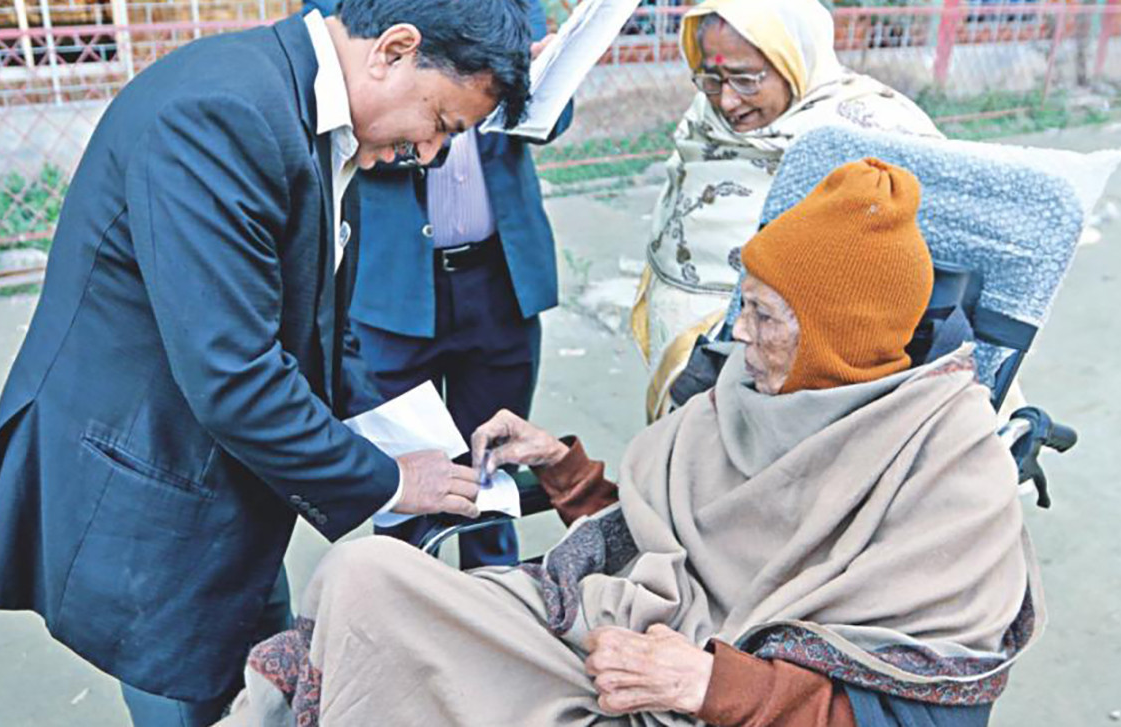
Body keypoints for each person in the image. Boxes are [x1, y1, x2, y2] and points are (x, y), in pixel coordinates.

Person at [222, 159, 1043, 726]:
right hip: (613, 641)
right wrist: (568, 471)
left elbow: (926, 708)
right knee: (366, 577)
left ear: (835, 336)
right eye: (744, 305)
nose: (738, 335)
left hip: (715, 700)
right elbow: (672, 532)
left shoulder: (951, 465)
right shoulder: (746, 390)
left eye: (764, 316)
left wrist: (715, 683)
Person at [0, 2, 535, 725]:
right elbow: (234, 376)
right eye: (442, 124)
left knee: (257, 682)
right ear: (394, 50)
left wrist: (395, 428)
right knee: (194, 699)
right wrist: (391, 477)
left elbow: (312, 326)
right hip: (152, 489)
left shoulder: (304, 111)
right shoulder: (223, 114)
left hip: (220, 485)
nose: (427, 155)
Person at [305, 0, 574, 567]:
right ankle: (411, 609)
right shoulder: (351, 10)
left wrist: (546, 78)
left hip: (498, 278)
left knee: (495, 468)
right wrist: (435, 110)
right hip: (393, 284)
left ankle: (496, 604)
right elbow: (339, 112)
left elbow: (553, 120)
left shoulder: (517, 5)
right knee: (408, 486)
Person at [634, 0, 940, 421]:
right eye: (710, 77)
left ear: (794, 61)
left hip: (798, 387)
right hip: (696, 372)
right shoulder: (705, 117)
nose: (725, 100)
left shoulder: (871, 130)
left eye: (744, 79)